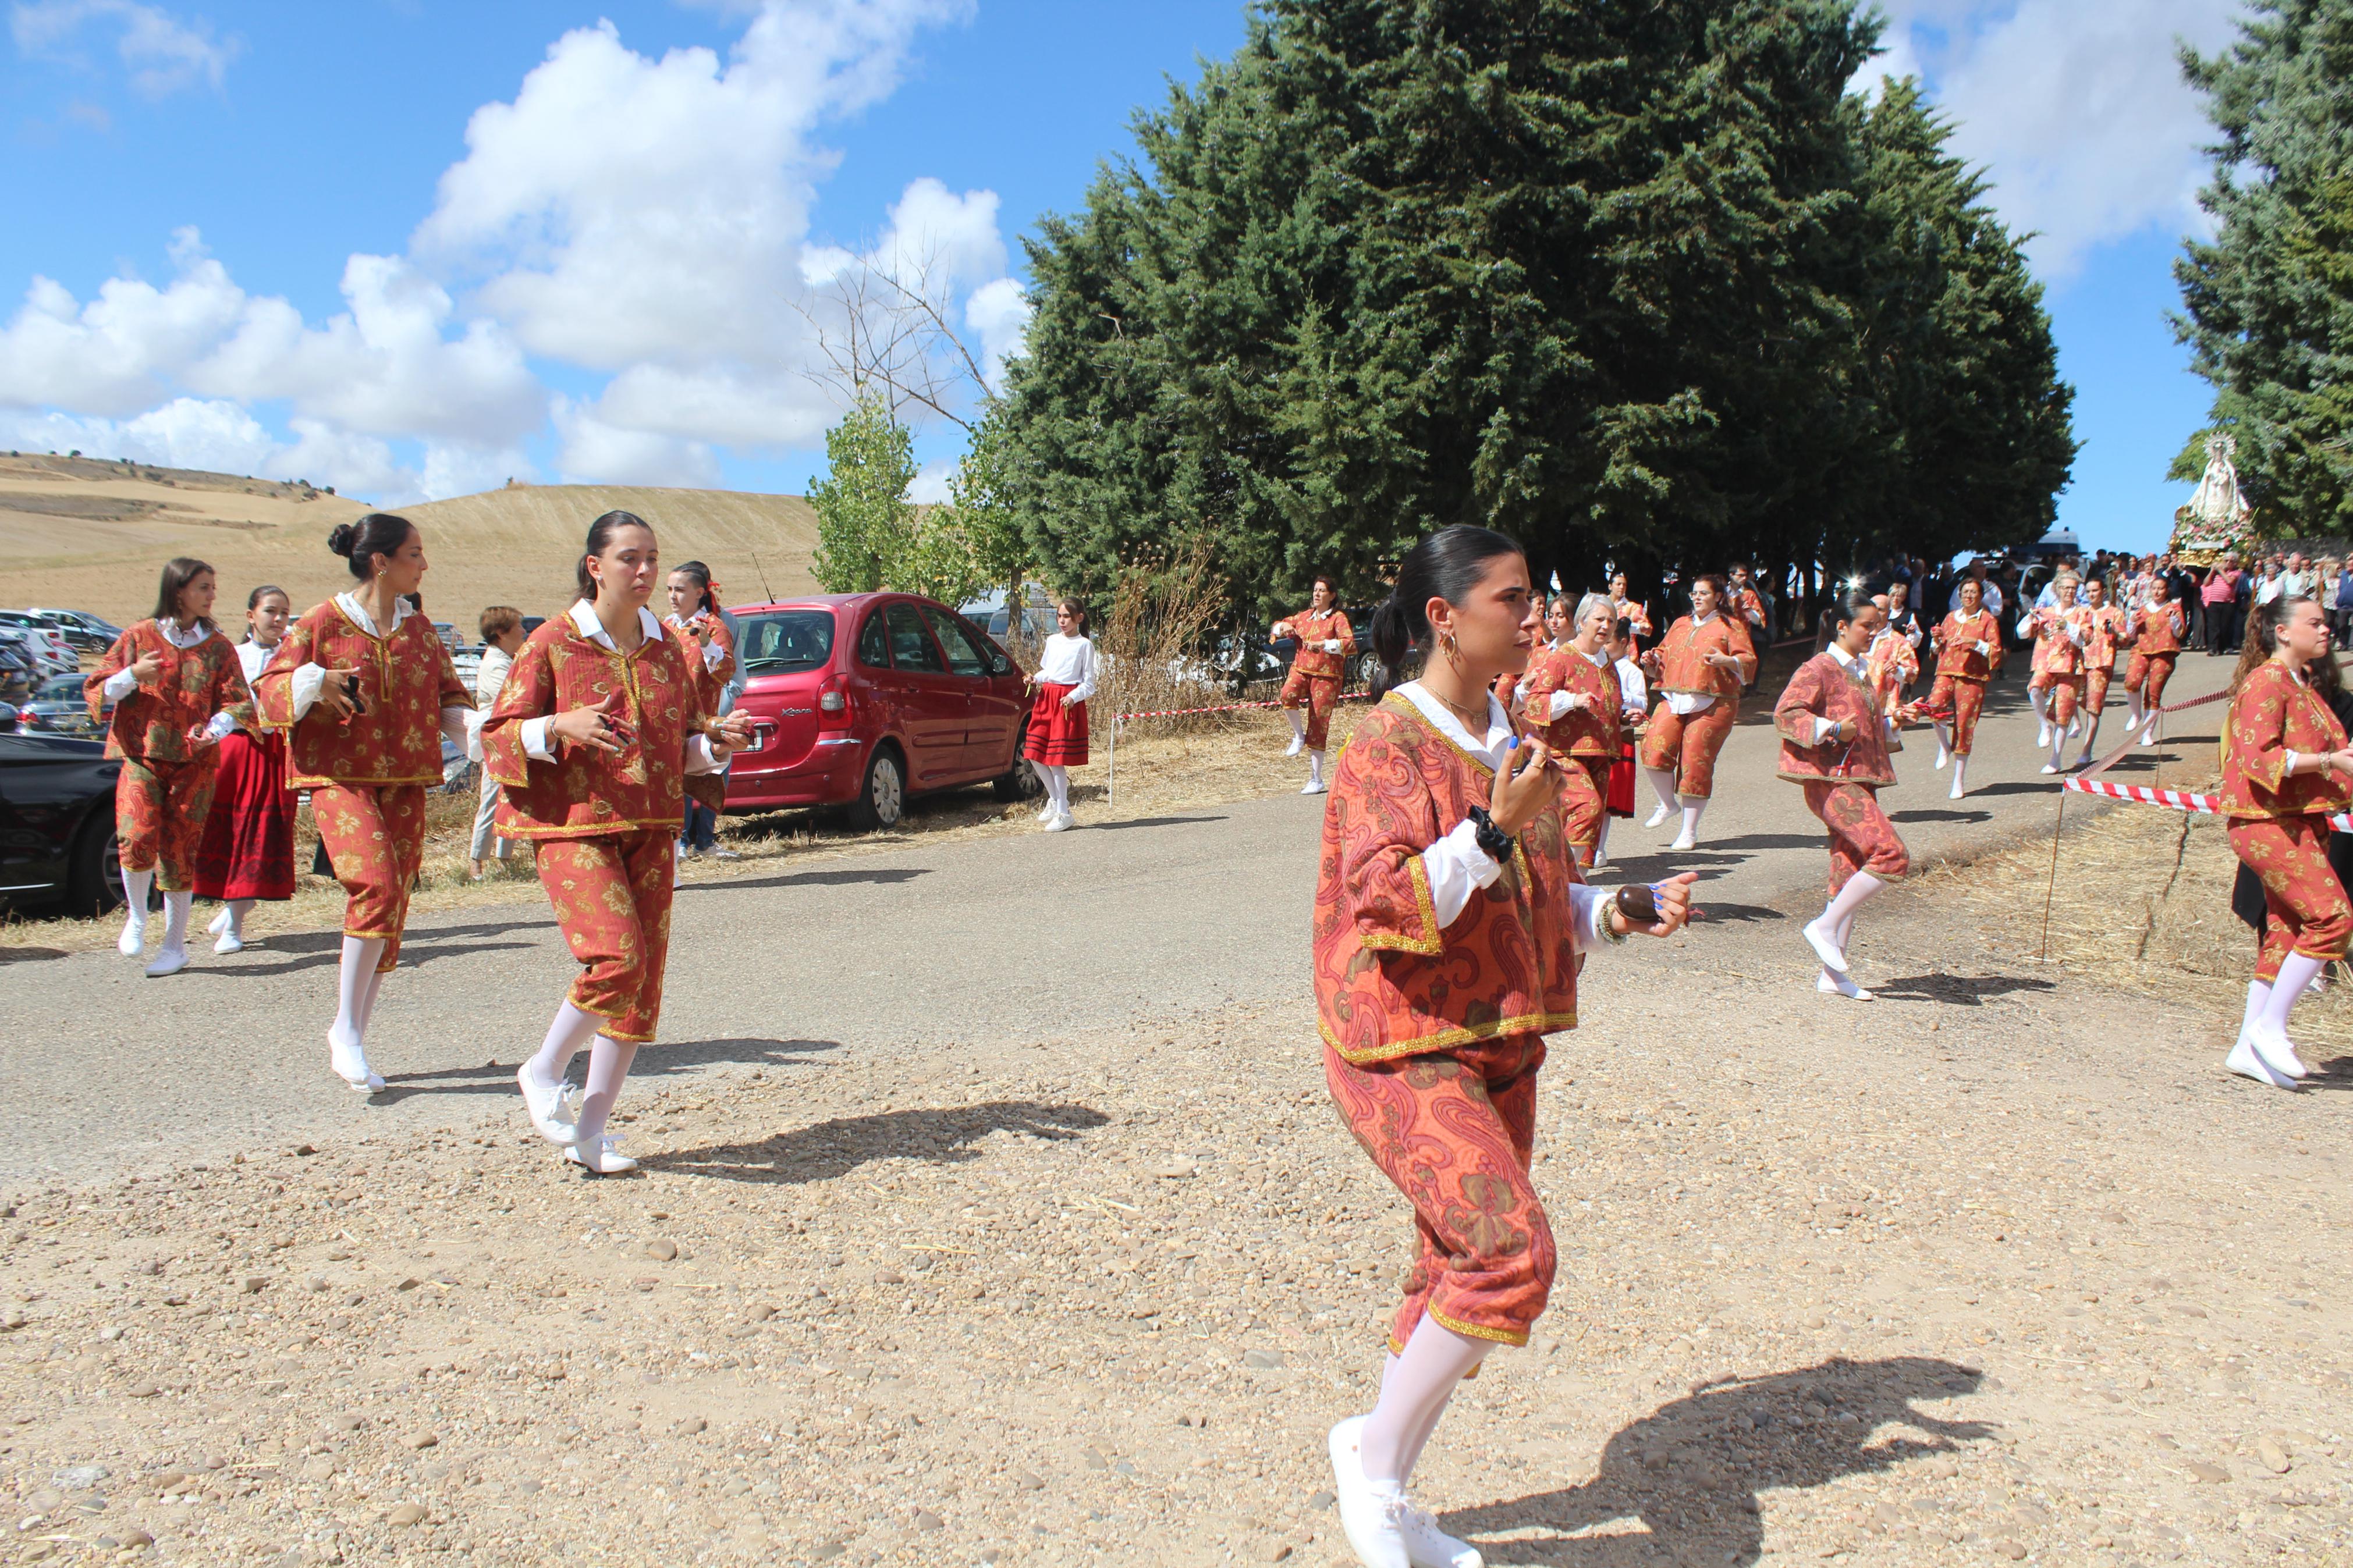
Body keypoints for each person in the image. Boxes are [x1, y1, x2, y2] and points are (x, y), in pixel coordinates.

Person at [1317, 525, 1696, 1568]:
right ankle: (1370, 1463)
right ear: (1443, 617)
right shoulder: (1384, 744)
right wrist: (1490, 828)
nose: (1535, 616)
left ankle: (1388, 1489)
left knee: (1451, 1274)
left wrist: (1615, 909)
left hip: (1500, 1038)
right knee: (1507, 1255)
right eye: (1513, 598)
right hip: (1399, 1040)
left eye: (1534, 598)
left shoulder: (1511, 737)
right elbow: (1389, 902)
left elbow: (1534, 896)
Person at [487, 512, 754, 1172]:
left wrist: (716, 745)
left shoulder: (667, 649)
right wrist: (557, 725)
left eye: (652, 558)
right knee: (618, 959)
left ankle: (590, 1134)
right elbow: (495, 737)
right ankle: (543, 1069)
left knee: (642, 984)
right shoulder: (551, 642)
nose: (645, 571)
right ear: (595, 566)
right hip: (573, 826)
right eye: (630, 557)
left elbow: (678, 745)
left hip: (652, 826)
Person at [253, 514, 473, 1094]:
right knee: (375, 884)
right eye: (414, 554)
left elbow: (450, 699)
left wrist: (501, 740)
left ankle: (351, 1030)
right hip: (339, 776)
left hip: (406, 780)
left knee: (392, 903)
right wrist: (314, 682)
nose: (424, 565)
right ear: (380, 561)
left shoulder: (420, 630)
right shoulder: (320, 622)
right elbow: (269, 695)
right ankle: (346, 1031)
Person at [84, 558, 253, 977]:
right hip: (142, 754)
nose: (212, 595)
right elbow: (98, 688)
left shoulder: (219, 647)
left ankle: (174, 946)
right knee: (136, 834)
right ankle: (137, 916)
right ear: (179, 591)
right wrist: (133, 673)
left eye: (213, 587)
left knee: (180, 850)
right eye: (203, 587)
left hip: (194, 763)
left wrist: (215, 729)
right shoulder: (138, 636)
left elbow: (238, 701)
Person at [2218, 593, 2353, 1088]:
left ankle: (2246, 1046)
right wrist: (2329, 762)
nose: (2325, 630)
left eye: (2326, 622)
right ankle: (2268, 1027)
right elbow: (2259, 758)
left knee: (2285, 931)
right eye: (2313, 622)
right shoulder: (2266, 682)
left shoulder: (2301, 684)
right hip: (2264, 820)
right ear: (2281, 631)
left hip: (2295, 820)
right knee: (2332, 917)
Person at [1777, 593, 1910, 1001]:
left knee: (1849, 869)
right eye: (1866, 625)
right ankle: (1823, 926)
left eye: (1876, 625)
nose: (1872, 632)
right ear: (1841, 626)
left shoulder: (1861, 671)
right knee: (1891, 853)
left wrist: (1893, 721)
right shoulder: (1818, 667)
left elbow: (1862, 728)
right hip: (1831, 782)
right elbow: (1787, 713)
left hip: (1857, 779)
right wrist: (1832, 730)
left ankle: (1832, 976)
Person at [194, 584, 297, 953]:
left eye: (284, 613)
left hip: (276, 751)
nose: (278, 619)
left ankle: (235, 918)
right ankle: (234, 912)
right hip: (235, 751)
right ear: (251, 616)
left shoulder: (294, 658)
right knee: (231, 832)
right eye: (271, 611)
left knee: (259, 834)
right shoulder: (233, 655)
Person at [1637, 574, 1756, 849]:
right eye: (1695, 593)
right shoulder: (1680, 624)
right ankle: (1668, 804)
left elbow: (1749, 661)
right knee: (1654, 747)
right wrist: (1652, 658)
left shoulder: (1730, 625)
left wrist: (1727, 660)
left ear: (1718, 597)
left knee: (1695, 761)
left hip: (1715, 700)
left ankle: (1688, 831)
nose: (1698, 598)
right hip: (1674, 696)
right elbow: (1663, 653)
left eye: (1704, 593)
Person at [1519, 592, 1620, 868]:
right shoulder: (1562, 657)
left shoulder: (1609, 664)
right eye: (1599, 619)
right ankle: (1565, 877)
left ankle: (1572, 882)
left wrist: (1625, 717)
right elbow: (1535, 703)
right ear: (1582, 621)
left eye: (1611, 621)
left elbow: (1608, 707)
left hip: (1601, 755)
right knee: (1588, 808)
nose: (1606, 626)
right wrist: (1572, 701)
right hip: (1563, 752)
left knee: (1586, 823)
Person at [665, 561, 739, 874]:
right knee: (671, 783)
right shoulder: (665, 627)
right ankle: (677, 842)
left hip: (699, 719)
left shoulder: (714, 626)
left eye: (680, 590)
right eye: (669, 589)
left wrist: (706, 642)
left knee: (701, 778)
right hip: (668, 719)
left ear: (699, 593)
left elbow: (725, 671)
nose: (673, 596)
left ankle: (703, 840)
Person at [1274, 575, 1358, 793]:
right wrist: (1283, 626)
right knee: (1287, 694)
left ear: (1332, 595)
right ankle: (1298, 735)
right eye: (1315, 590)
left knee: (1319, 722)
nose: (1317, 594)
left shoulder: (1337, 618)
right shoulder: (1304, 617)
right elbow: (1276, 628)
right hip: (1301, 669)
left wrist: (1324, 644)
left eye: (1322, 591)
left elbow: (1349, 643)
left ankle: (1316, 779)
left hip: (1327, 676)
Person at [1922, 577, 2003, 799]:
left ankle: (1958, 780)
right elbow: (1938, 649)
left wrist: (1974, 642)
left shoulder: (1987, 620)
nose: (1969, 596)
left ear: (1980, 596)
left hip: (1973, 676)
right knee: (1934, 705)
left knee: (1964, 724)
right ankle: (1943, 746)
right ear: (1960, 595)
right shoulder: (1950, 618)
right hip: (1947, 670)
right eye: (1965, 592)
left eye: (1973, 592)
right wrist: (1936, 640)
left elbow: (1996, 651)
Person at [467, 606, 527, 880]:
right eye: (518, 627)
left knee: (512, 798)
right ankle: (477, 862)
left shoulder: (508, 659)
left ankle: (505, 858)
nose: (524, 631)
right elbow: (514, 697)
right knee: (492, 799)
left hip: (511, 736)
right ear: (501, 634)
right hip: (496, 738)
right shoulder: (495, 664)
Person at [1024, 599, 1096, 827]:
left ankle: (1064, 813)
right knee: (1033, 752)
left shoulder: (1085, 645)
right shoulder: (1053, 641)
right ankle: (1055, 800)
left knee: (1055, 759)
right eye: (1059, 616)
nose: (1062, 621)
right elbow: (1049, 672)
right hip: (1047, 699)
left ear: (1079, 618)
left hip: (1065, 704)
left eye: (1067, 616)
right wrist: (1035, 679)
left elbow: (1089, 684)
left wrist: (1073, 697)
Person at [2019, 573, 2086, 773]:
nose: (2069, 592)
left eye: (2073, 588)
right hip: (2045, 662)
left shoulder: (2082, 613)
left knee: (2064, 711)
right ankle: (2044, 726)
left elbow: (2085, 640)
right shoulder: (2045, 611)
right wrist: (2030, 618)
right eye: (2065, 588)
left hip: (2070, 666)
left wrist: (2068, 626)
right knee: (2035, 688)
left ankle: (2055, 759)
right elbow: (2022, 633)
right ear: (2057, 590)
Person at [2067, 575, 2131, 770]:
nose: (2091, 595)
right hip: (2079, 661)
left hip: (2101, 663)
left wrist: (2116, 632)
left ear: (2103, 592)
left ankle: (2087, 750)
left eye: (2095, 591)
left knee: (2093, 707)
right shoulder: (2082, 611)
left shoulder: (2114, 613)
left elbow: (2125, 639)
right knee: (2068, 696)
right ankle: (2076, 723)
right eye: (2088, 591)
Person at [1605, 571, 1652, 645]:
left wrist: (1635, 627)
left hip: (1625, 647)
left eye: (1624, 585)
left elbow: (1648, 630)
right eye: (1619, 584)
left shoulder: (1633, 607)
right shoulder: (1600, 604)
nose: (1622, 587)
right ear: (1610, 586)